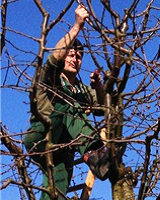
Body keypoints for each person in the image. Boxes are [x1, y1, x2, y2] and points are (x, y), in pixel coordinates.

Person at [23, 5, 110, 200]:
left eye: (79, 57)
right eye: (71, 55)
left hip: (61, 147)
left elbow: (103, 109)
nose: (75, 59)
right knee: (69, 105)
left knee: (57, 187)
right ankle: (93, 151)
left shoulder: (81, 89)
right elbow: (54, 59)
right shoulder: (51, 78)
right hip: (41, 135)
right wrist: (77, 25)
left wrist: (98, 87)